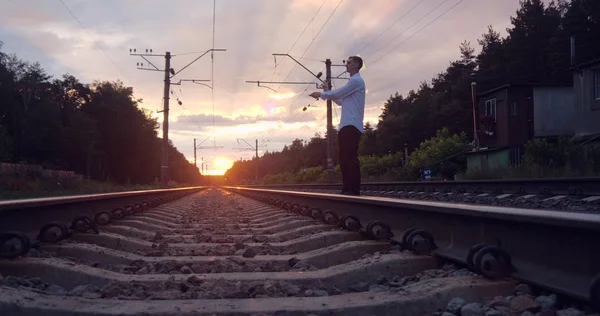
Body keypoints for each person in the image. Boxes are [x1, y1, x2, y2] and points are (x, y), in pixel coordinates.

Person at [309, 56, 366, 196]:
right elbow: (340, 101)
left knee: (350, 157)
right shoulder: (353, 83)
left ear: (357, 65)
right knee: (344, 157)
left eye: (349, 62)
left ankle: (353, 189)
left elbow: (338, 93)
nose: (346, 64)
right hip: (347, 125)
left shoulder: (356, 81)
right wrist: (328, 91)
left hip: (351, 125)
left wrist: (322, 93)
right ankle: (348, 188)